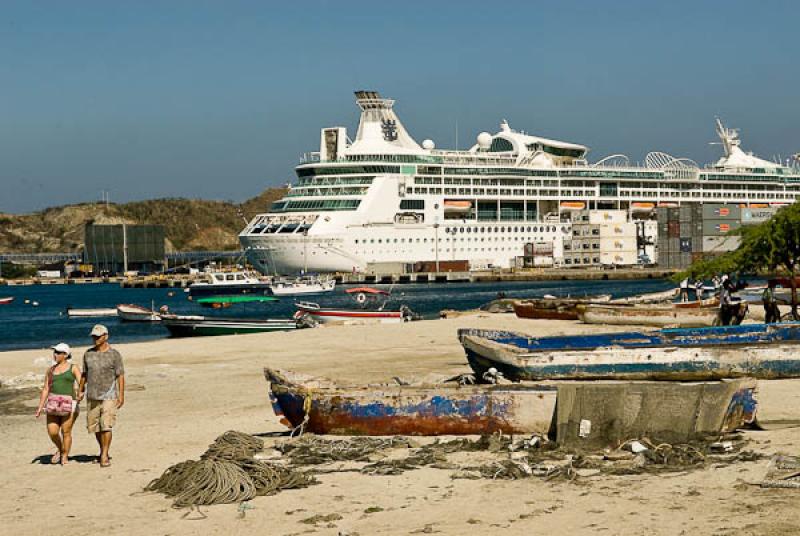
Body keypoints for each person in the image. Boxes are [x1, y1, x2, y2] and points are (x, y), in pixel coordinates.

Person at [77, 325, 125, 468]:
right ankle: (102, 450)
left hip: (109, 395)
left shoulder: (114, 354)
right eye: (93, 336)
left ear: (106, 336)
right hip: (92, 394)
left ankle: (104, 454)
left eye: (98, 336)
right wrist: (80, 390)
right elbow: (85, 374)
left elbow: (120, 375)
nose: (95, 339)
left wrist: (121, 395)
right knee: (95, 427)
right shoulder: (88, 354)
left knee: (106, 425)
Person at [35, 343, 82, 465]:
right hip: (53, 404)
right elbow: (46, 389)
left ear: (65, 355)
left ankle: (65, 456)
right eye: (54, 352)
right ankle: (61, 449)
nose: (55, 354)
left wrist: (80, 393)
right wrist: (40, 407)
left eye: (58, 352)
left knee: (66, 432)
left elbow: (81, 382)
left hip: (69, 404)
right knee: (53, 432)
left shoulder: (73, 367)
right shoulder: (50, 370)